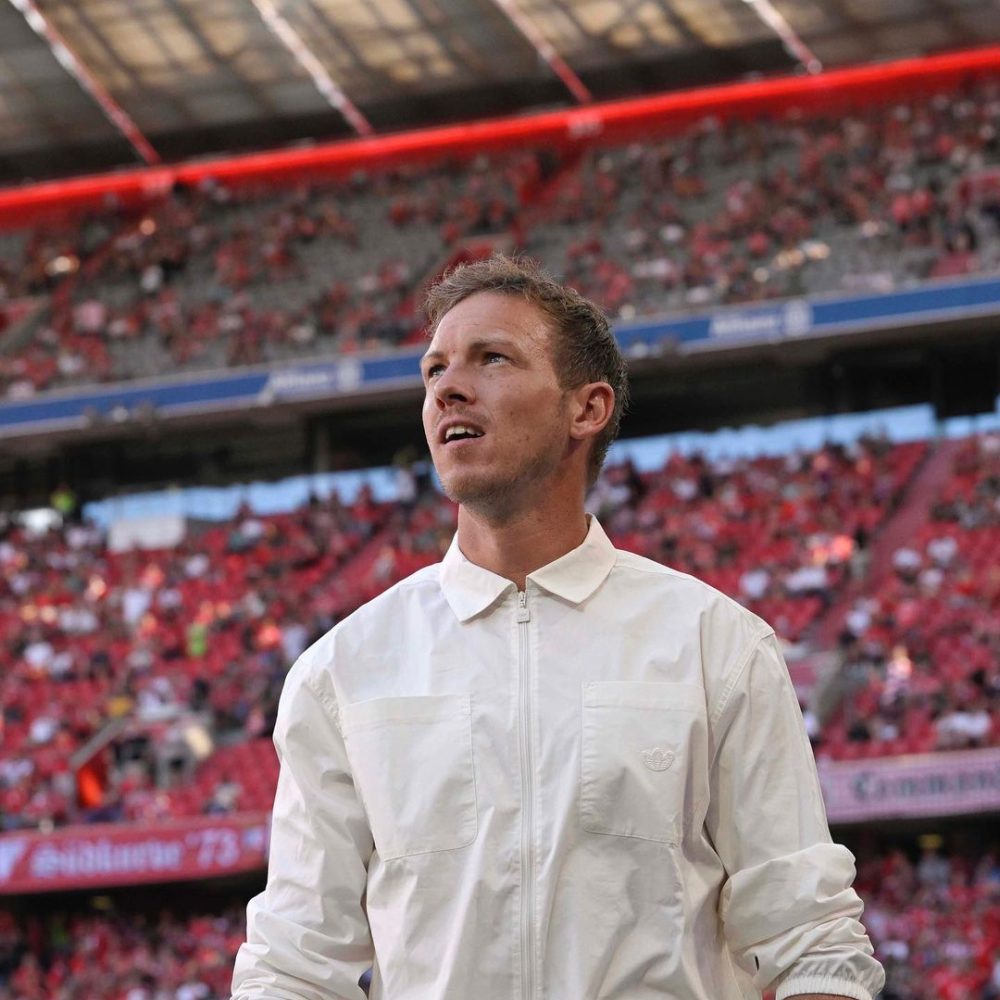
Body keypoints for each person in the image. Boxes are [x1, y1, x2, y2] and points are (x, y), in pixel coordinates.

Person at [231, 254, 885, 1000]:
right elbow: (293, 965)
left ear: (587, 408)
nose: (447, 386)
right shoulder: (342, 672)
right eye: (433, 369)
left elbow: (814, 937)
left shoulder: (717, 646)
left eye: (492, 358)